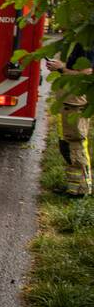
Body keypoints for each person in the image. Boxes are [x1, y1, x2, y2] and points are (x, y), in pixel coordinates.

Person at [46, 44, 93, 197]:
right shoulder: (81, 41)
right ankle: (73, 188)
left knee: (76, 144)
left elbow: (87, 73)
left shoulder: (89, 44)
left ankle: (82, 190)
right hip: (69, 104)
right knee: (68, 144)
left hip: (76, 105)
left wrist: (62, 68)